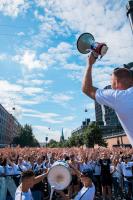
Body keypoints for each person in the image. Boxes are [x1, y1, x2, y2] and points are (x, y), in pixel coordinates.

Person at [82, 52, 133, 146]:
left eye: (111, 83)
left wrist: (89, 64)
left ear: (116, 83)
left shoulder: (119, 97)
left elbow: (87, 89)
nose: (110, 86)